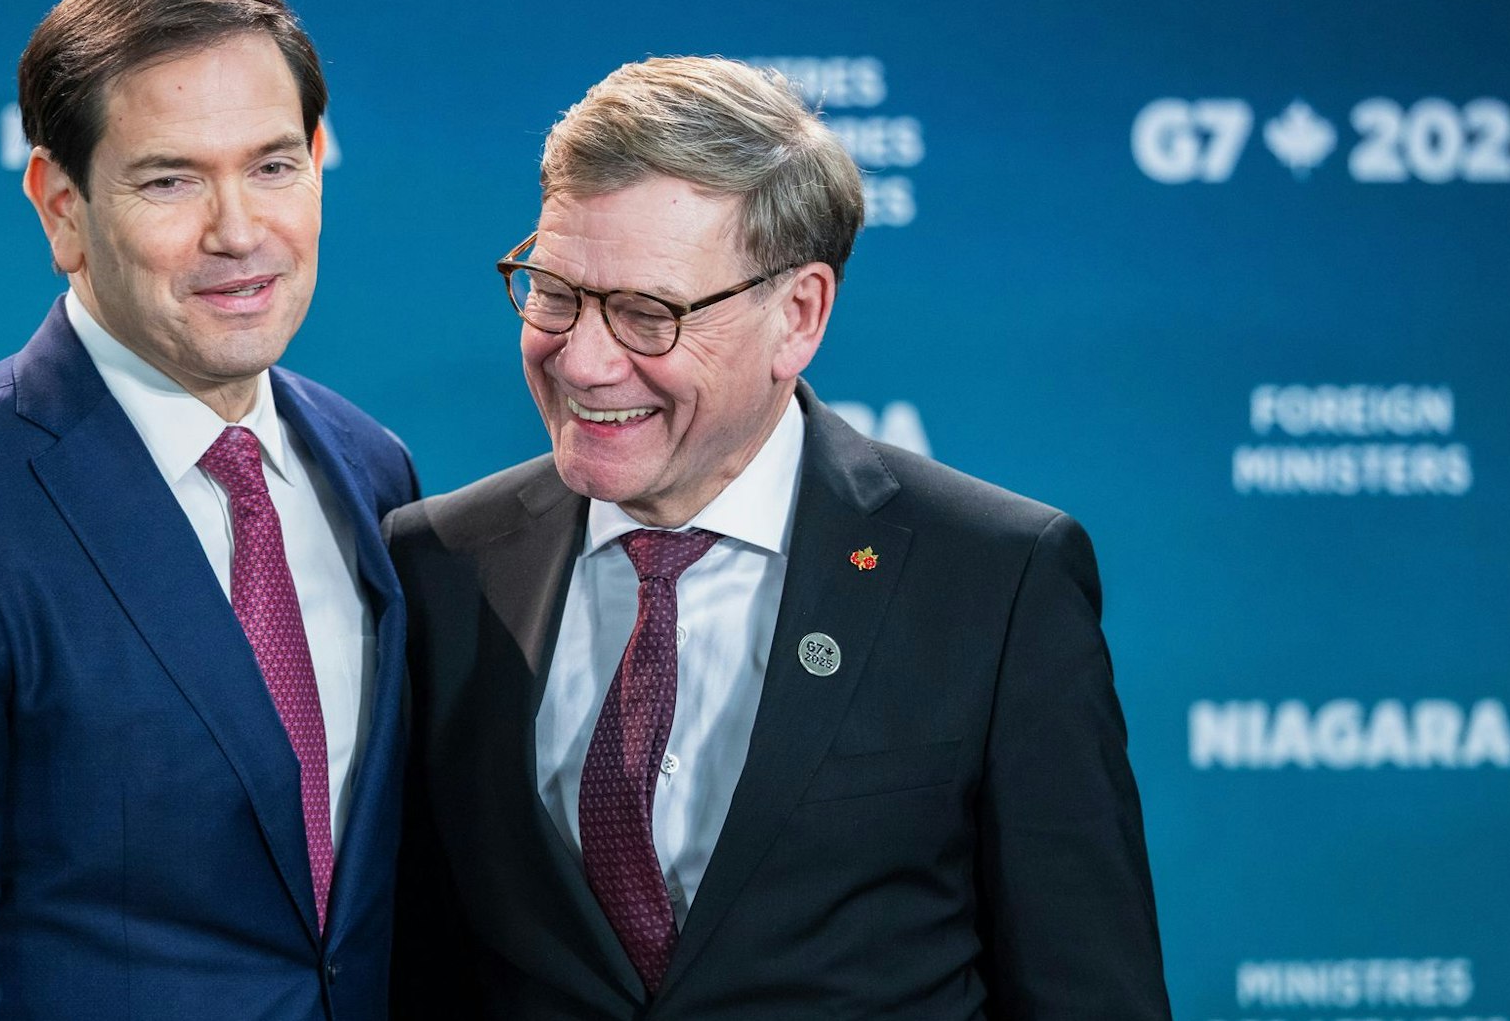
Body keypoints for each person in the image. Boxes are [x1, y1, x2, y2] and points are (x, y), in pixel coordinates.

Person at [387, 56, 1170, 1019]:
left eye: (646, 313)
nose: (584, 361)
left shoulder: (994, 579)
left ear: (797, 314)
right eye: (554, 291)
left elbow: (1090, 992)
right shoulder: (439, 565)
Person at [0, 0, 417, 1020]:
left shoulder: (369, 464)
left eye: (273, 166)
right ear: (61, 208)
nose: (238, 231)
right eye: (169, 180)